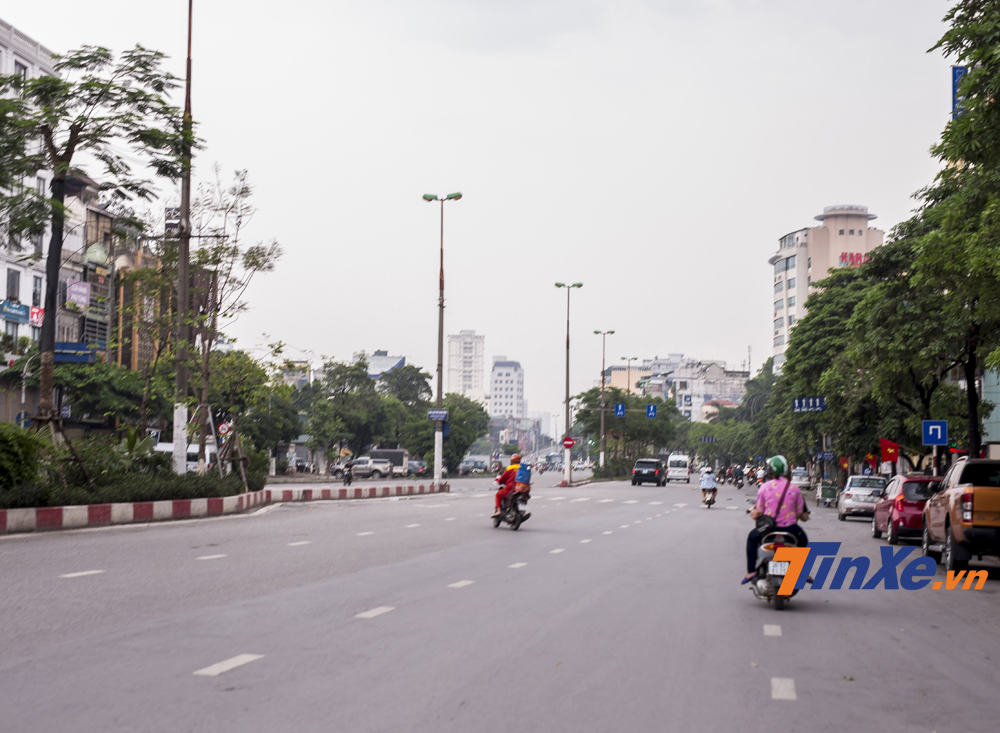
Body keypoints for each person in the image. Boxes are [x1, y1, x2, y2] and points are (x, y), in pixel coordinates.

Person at [742, 455, 810, 584]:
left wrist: (753, 513)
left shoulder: (764, 487)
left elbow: (759, 512)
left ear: (771, 471)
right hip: (790, 528)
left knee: (752, 538)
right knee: (803, 540)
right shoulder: (794, 488)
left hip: (768, 529)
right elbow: (800, 513)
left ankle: (751, 571)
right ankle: (801, 571)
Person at [493, 453, 521, 518]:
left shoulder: (509, 468)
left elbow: (503, 479)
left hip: (511, 488)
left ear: (512, 460)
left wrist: (498, 480)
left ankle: (498, 511)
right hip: (521, 488)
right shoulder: (522, 468)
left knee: (498, 495)